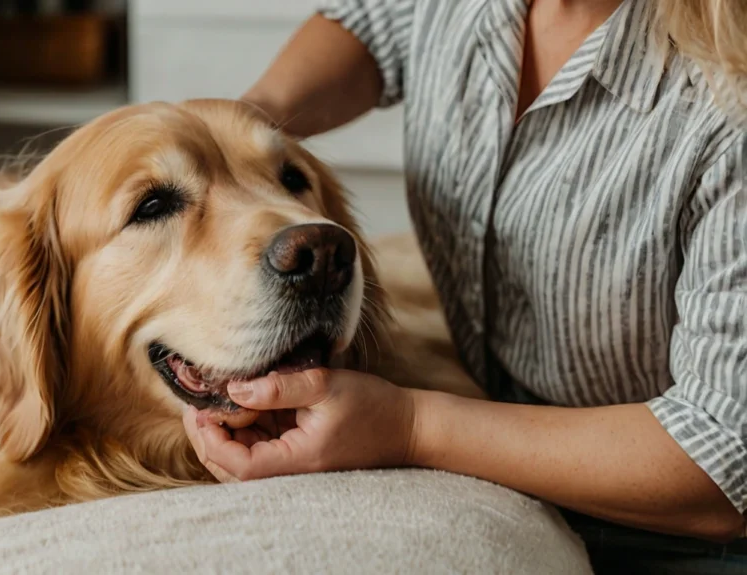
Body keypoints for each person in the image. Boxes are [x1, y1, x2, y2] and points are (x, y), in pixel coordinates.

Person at [182, 0, 747, 570]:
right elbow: (375, 22)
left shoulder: (729, 107)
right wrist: (254, 119)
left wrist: (411, 426)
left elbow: (722, 463)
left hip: (680, 543)